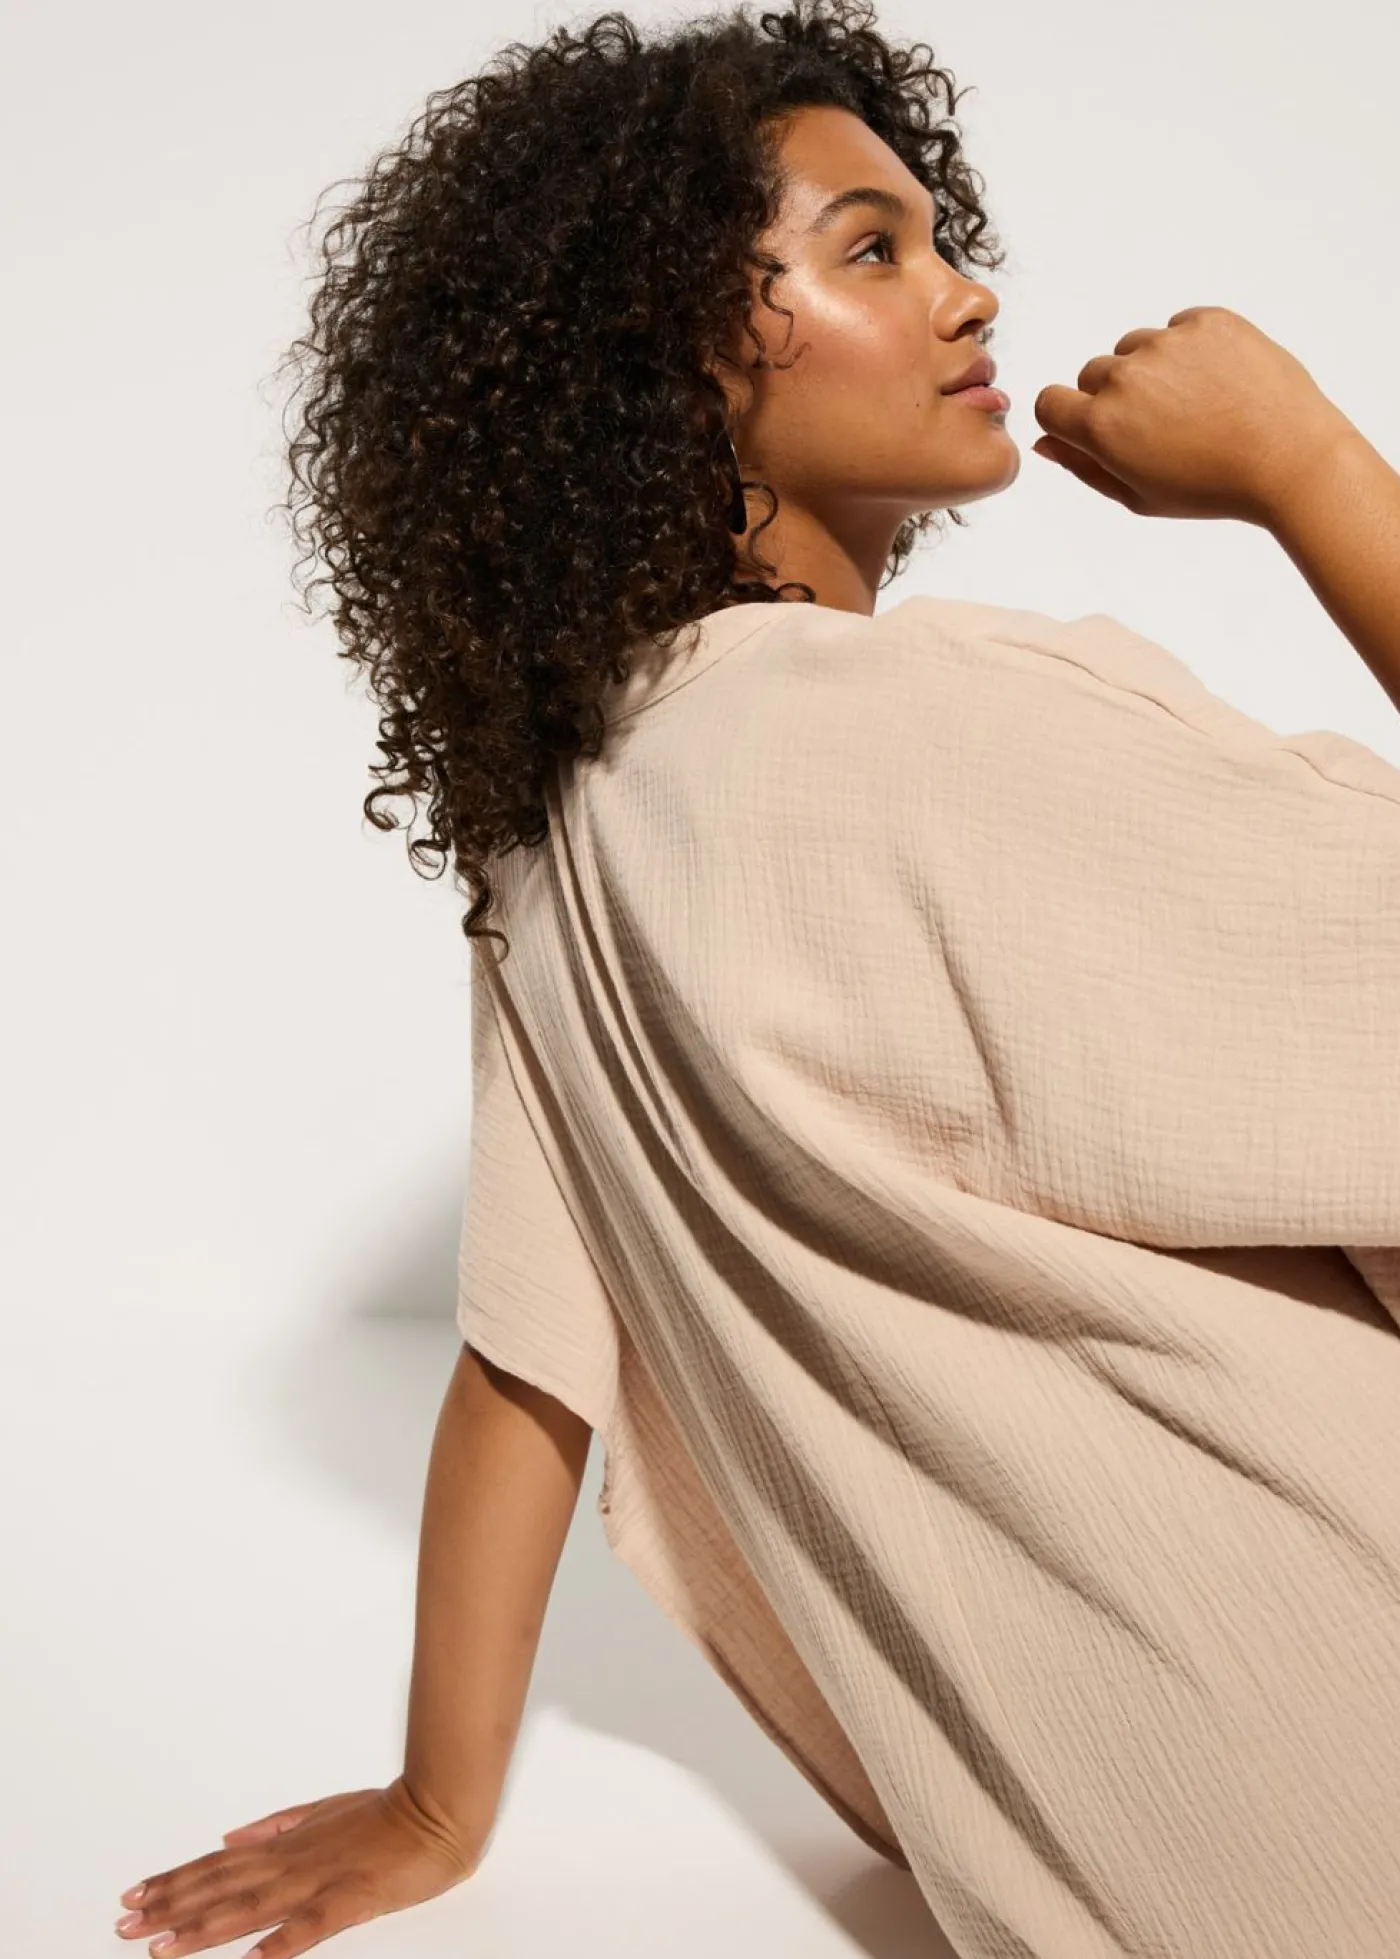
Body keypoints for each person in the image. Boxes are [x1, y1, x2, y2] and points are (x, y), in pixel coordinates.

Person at [116, 3, 1400, 1956]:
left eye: (938, 237)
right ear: (670, 358)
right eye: (870, 249)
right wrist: (1309, 468)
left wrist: (438, 1799)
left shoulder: (565, 823)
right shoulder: (939, 725)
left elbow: (521, 1358)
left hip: (1123, 1845)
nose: (968, 293)